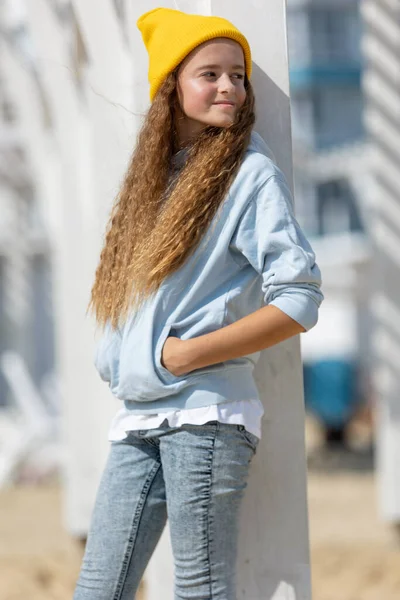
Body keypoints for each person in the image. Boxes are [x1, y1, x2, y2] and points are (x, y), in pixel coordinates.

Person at [73, 7, 323, 600]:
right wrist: (121, 356)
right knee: (99, 588)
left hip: (206, 417)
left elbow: (299, 298)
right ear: (171, 88)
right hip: (139, 411)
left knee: (201, 592)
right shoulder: (153, 179)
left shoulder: (249, 171)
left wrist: (186, 356)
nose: (230, 88)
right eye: (210, 74)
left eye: (237, 75)